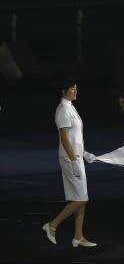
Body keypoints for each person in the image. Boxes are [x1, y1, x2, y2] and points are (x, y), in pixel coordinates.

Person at [42, 80, 98, 248]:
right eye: (72, 89)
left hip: (77, 156)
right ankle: (52, 225)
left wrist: (84, 153)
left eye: (76, 88)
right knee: (81, 198)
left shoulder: (71, 107)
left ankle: (78, 236)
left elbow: (75, 137)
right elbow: (65, 139)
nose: (75, 91)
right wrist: (74, 160)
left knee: (81, 197)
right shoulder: (63, 110)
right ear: (63, 90)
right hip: (69, 158)